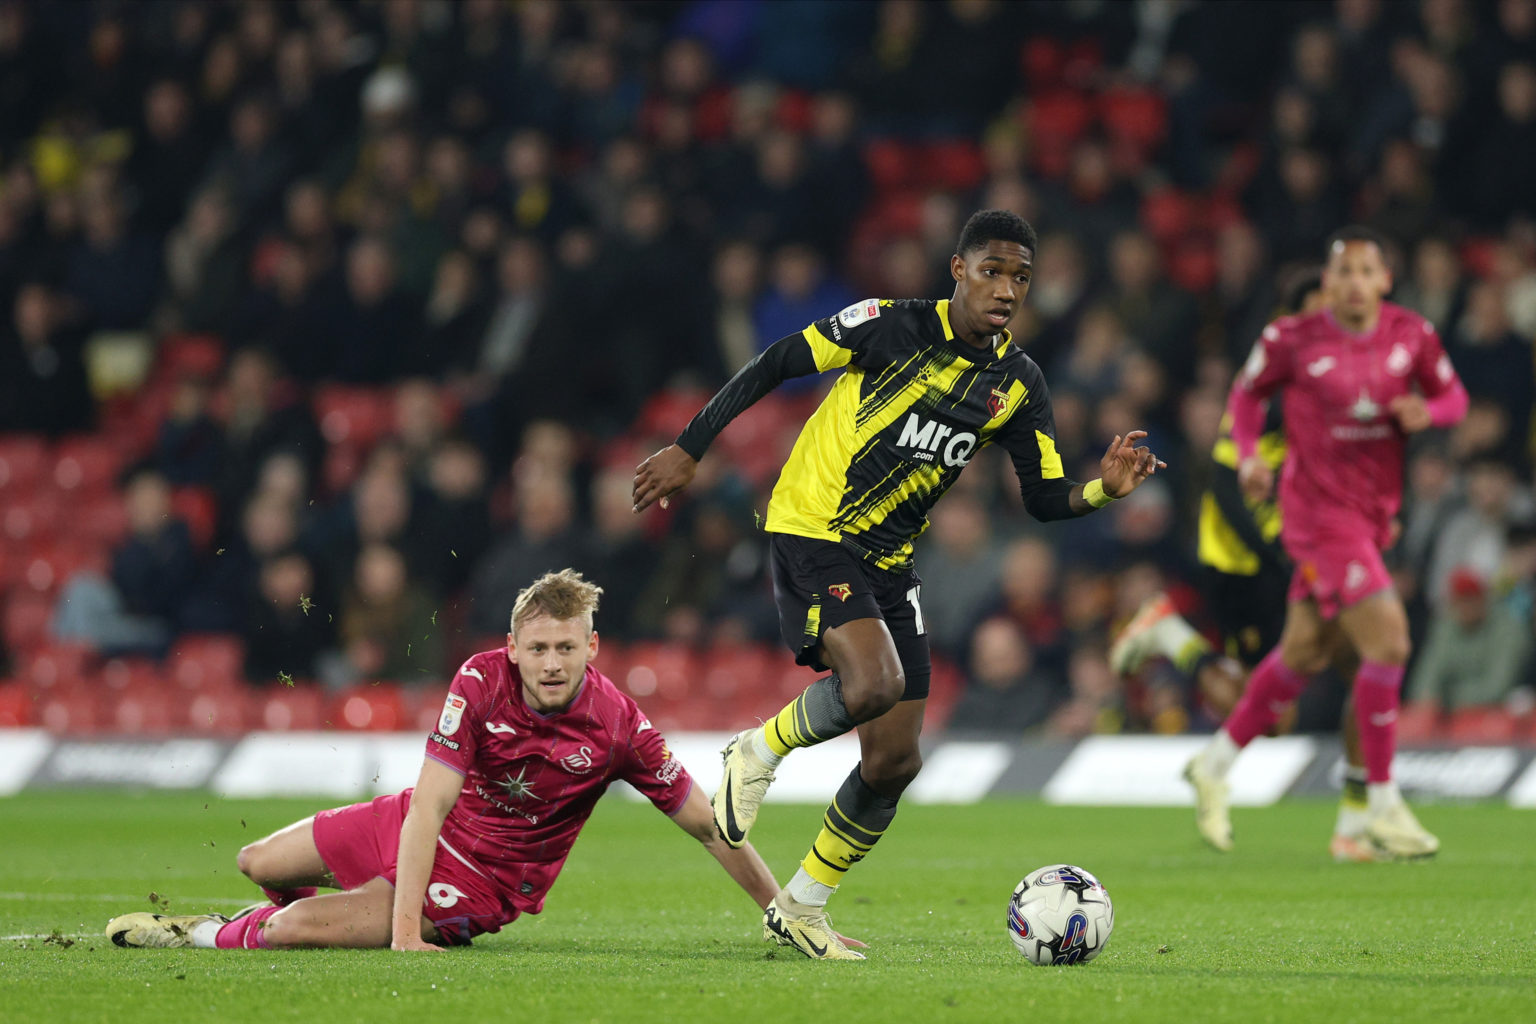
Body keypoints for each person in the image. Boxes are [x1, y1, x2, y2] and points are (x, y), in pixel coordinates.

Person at [632, 209, 1165, 960]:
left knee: (894, 760)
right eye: (992, 271)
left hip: (888, 559)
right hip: (816, 524)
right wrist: (692, 448)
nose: (1006, 289)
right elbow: (779, 360)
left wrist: (1104, 490)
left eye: (1020, 276)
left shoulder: (1016, 384)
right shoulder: (888, 325)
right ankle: (756, 751)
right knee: (875, 683)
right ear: (958, 270)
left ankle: (803, 907)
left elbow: (1045, 497)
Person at [104, 569, 788, 951]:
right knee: (255, 863)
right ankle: (339, 920)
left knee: (290, 929)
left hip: (485, 882)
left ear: (593, 648)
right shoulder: (478, 680)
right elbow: (428, 804)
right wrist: (401, 935)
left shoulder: (618, 727)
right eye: (539, 648)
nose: (552, 663)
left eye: (567, 648)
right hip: (415, 825)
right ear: (514, 648)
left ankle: (207, 934)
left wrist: (786, 913)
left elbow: (708, 826)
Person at [1182, 226, 1468, 861]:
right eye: (1343, 272)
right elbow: (1246, 396)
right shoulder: (1291, 340)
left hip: (1371, 519)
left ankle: (1214, 763)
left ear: (1385, 280)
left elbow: (1453, 395)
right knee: (1388, 640)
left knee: (1305, 652)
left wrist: (1432, 414)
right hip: (1316, 518)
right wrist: (1252, 457)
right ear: (1329, 282)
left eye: (1367, 272)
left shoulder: (1412, 334)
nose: (1354, 284)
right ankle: (1380, 805)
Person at [1109, 269, 1382, 861]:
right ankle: (1357, 824)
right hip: (1242, 562)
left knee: (1357, 664)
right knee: (1291, 707)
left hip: (1296, 554)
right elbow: (1230, 488)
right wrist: (1285, 558)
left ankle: (1357, 824)